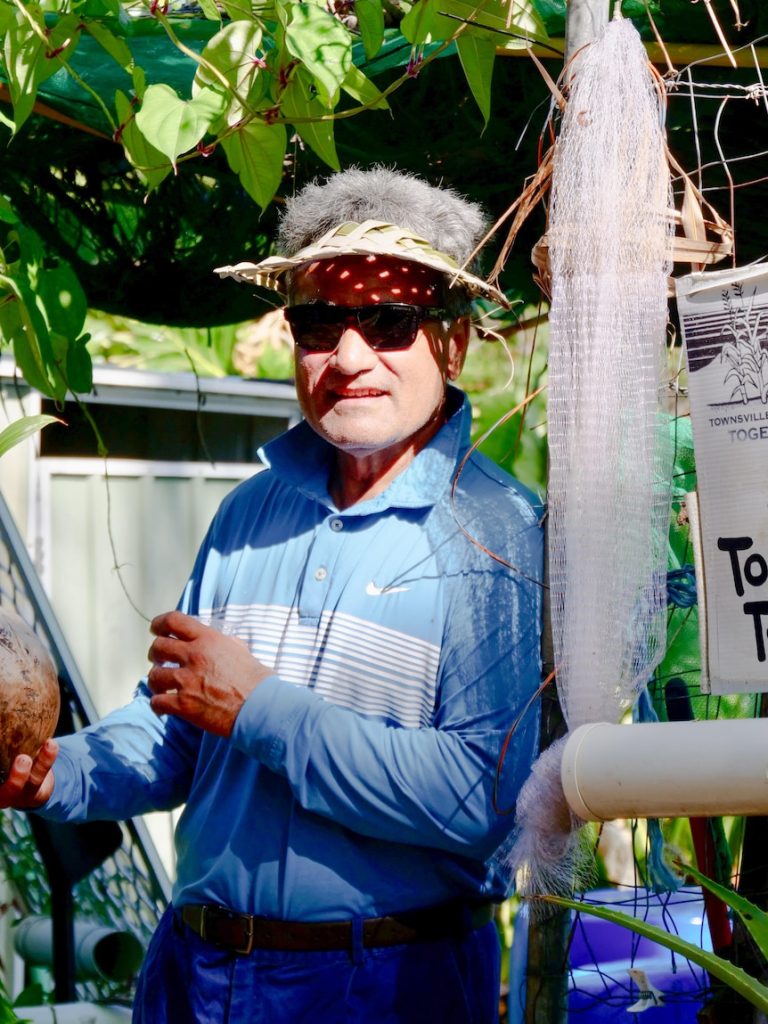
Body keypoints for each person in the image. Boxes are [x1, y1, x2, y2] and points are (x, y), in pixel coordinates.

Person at [0, 167, 544, 1023]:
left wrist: (258, 708)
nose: (350, 356)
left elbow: (482, 801)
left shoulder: (499, 533)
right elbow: (176, 734)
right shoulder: (251, 511)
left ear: (454, 341)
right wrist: (57, 775)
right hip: (193, 970)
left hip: (387, 984)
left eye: (391, 322)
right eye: (320, 321)